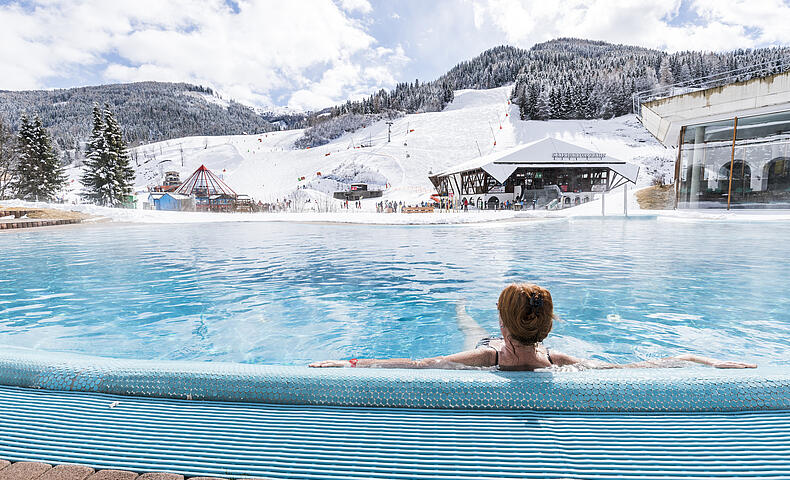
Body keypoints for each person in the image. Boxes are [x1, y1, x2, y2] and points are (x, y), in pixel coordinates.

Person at [310, 283, 757, 371]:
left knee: (469, 328)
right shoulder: (557, 359)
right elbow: (637, 366)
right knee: (471, 327)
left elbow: (417, 363)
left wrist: (351, 362)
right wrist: (700, 358)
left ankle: (461, 309)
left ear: (505, 326)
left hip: (488, 347)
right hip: (519, 345)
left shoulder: (486, 356)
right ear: (544, 329)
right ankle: (463, 310)